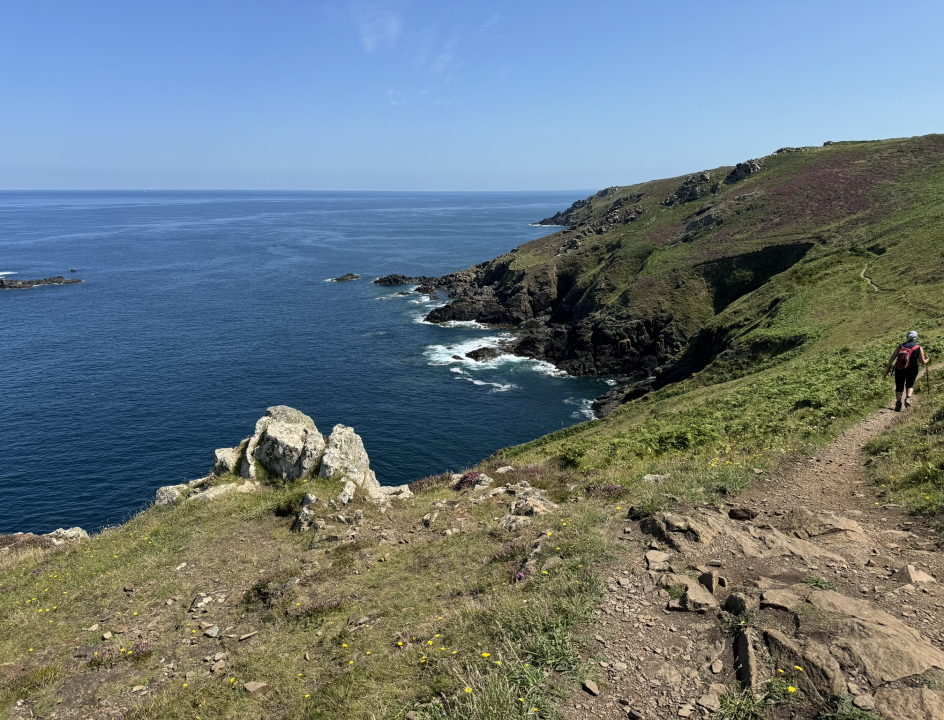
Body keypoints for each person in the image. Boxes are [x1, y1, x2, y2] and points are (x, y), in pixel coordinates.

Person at [885, 330, 930, 411]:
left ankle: (898, 404)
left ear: (907, 337)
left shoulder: (901, 346)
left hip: (900, 369)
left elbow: (892, 358)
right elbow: (922, 362)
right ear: (916, 337)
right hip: (913, 369)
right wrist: (927, 360)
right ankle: (908, 398)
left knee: (899, 386)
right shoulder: (918, 348)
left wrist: (888, 369)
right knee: (910, 384)